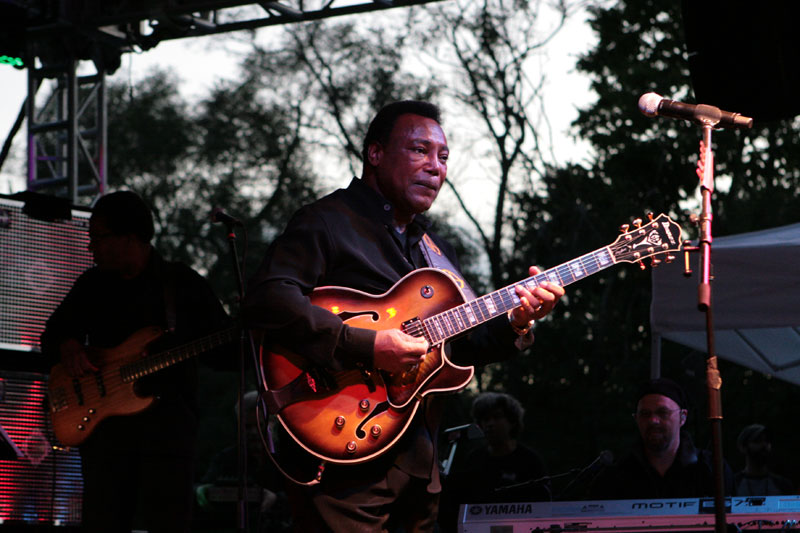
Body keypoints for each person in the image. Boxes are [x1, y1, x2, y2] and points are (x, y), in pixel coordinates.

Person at [241, 100, 564, 532]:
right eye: (419, 150)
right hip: (342, 461)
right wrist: (368, 345)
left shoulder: (434, 249)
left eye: (443, 156)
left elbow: (463, 343)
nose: (435, 166)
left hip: (418, 463)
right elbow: (267, 299)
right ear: (375, 154)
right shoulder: (327, 221)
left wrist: (520, 319)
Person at [40, 190, 233, 533]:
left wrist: (250, 337)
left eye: (98, 238)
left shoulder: (183, 285)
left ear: (129, 238)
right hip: (106, 437)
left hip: (167, 436)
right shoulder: (93, 285)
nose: (91, 247)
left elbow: (223, 354)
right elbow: (53, 333)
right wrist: (68, 346)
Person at [589, 377, 733, 500]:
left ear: (682, 417)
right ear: (636, 419)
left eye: (663, 412)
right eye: (645, 414)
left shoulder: (710, 469)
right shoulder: (616, 475)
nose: (653, 421)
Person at [439, 392, 548, 531]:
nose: (489, 424)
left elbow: (542, 504)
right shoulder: (474, 459)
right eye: (485, 419)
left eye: (497, 417)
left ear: (512, 421)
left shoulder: (530, 461)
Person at [733, 423, 794, 496]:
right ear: (743, 447)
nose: (764, 445)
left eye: (767, 441)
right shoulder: (734, 484)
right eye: (757, 441)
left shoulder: (782, 485)